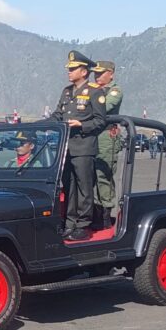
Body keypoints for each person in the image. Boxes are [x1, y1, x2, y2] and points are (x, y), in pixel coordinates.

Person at [51, 50, 107, 241]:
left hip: (84, 147)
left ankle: (83, 225)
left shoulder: (95, 92)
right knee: (68, 186)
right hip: (67, 148)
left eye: (73, 69)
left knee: (84, 187)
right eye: (69, 68)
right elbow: (58, 114)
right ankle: (69, 223)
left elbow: (101, 121)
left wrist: (81, 125)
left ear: (84, 71)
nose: (69, 72)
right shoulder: (67, 91)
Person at [90, 61, 124, 230]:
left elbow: (104, 106)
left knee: (103, 175)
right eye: (95, 73)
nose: (97, 76)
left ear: (110, 73)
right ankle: (94, 213)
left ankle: (105, 215)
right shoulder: (93, 90)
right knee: (90, 176)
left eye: (100, 73)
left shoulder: (114, 90)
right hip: (91, 136)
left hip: (105, 137)